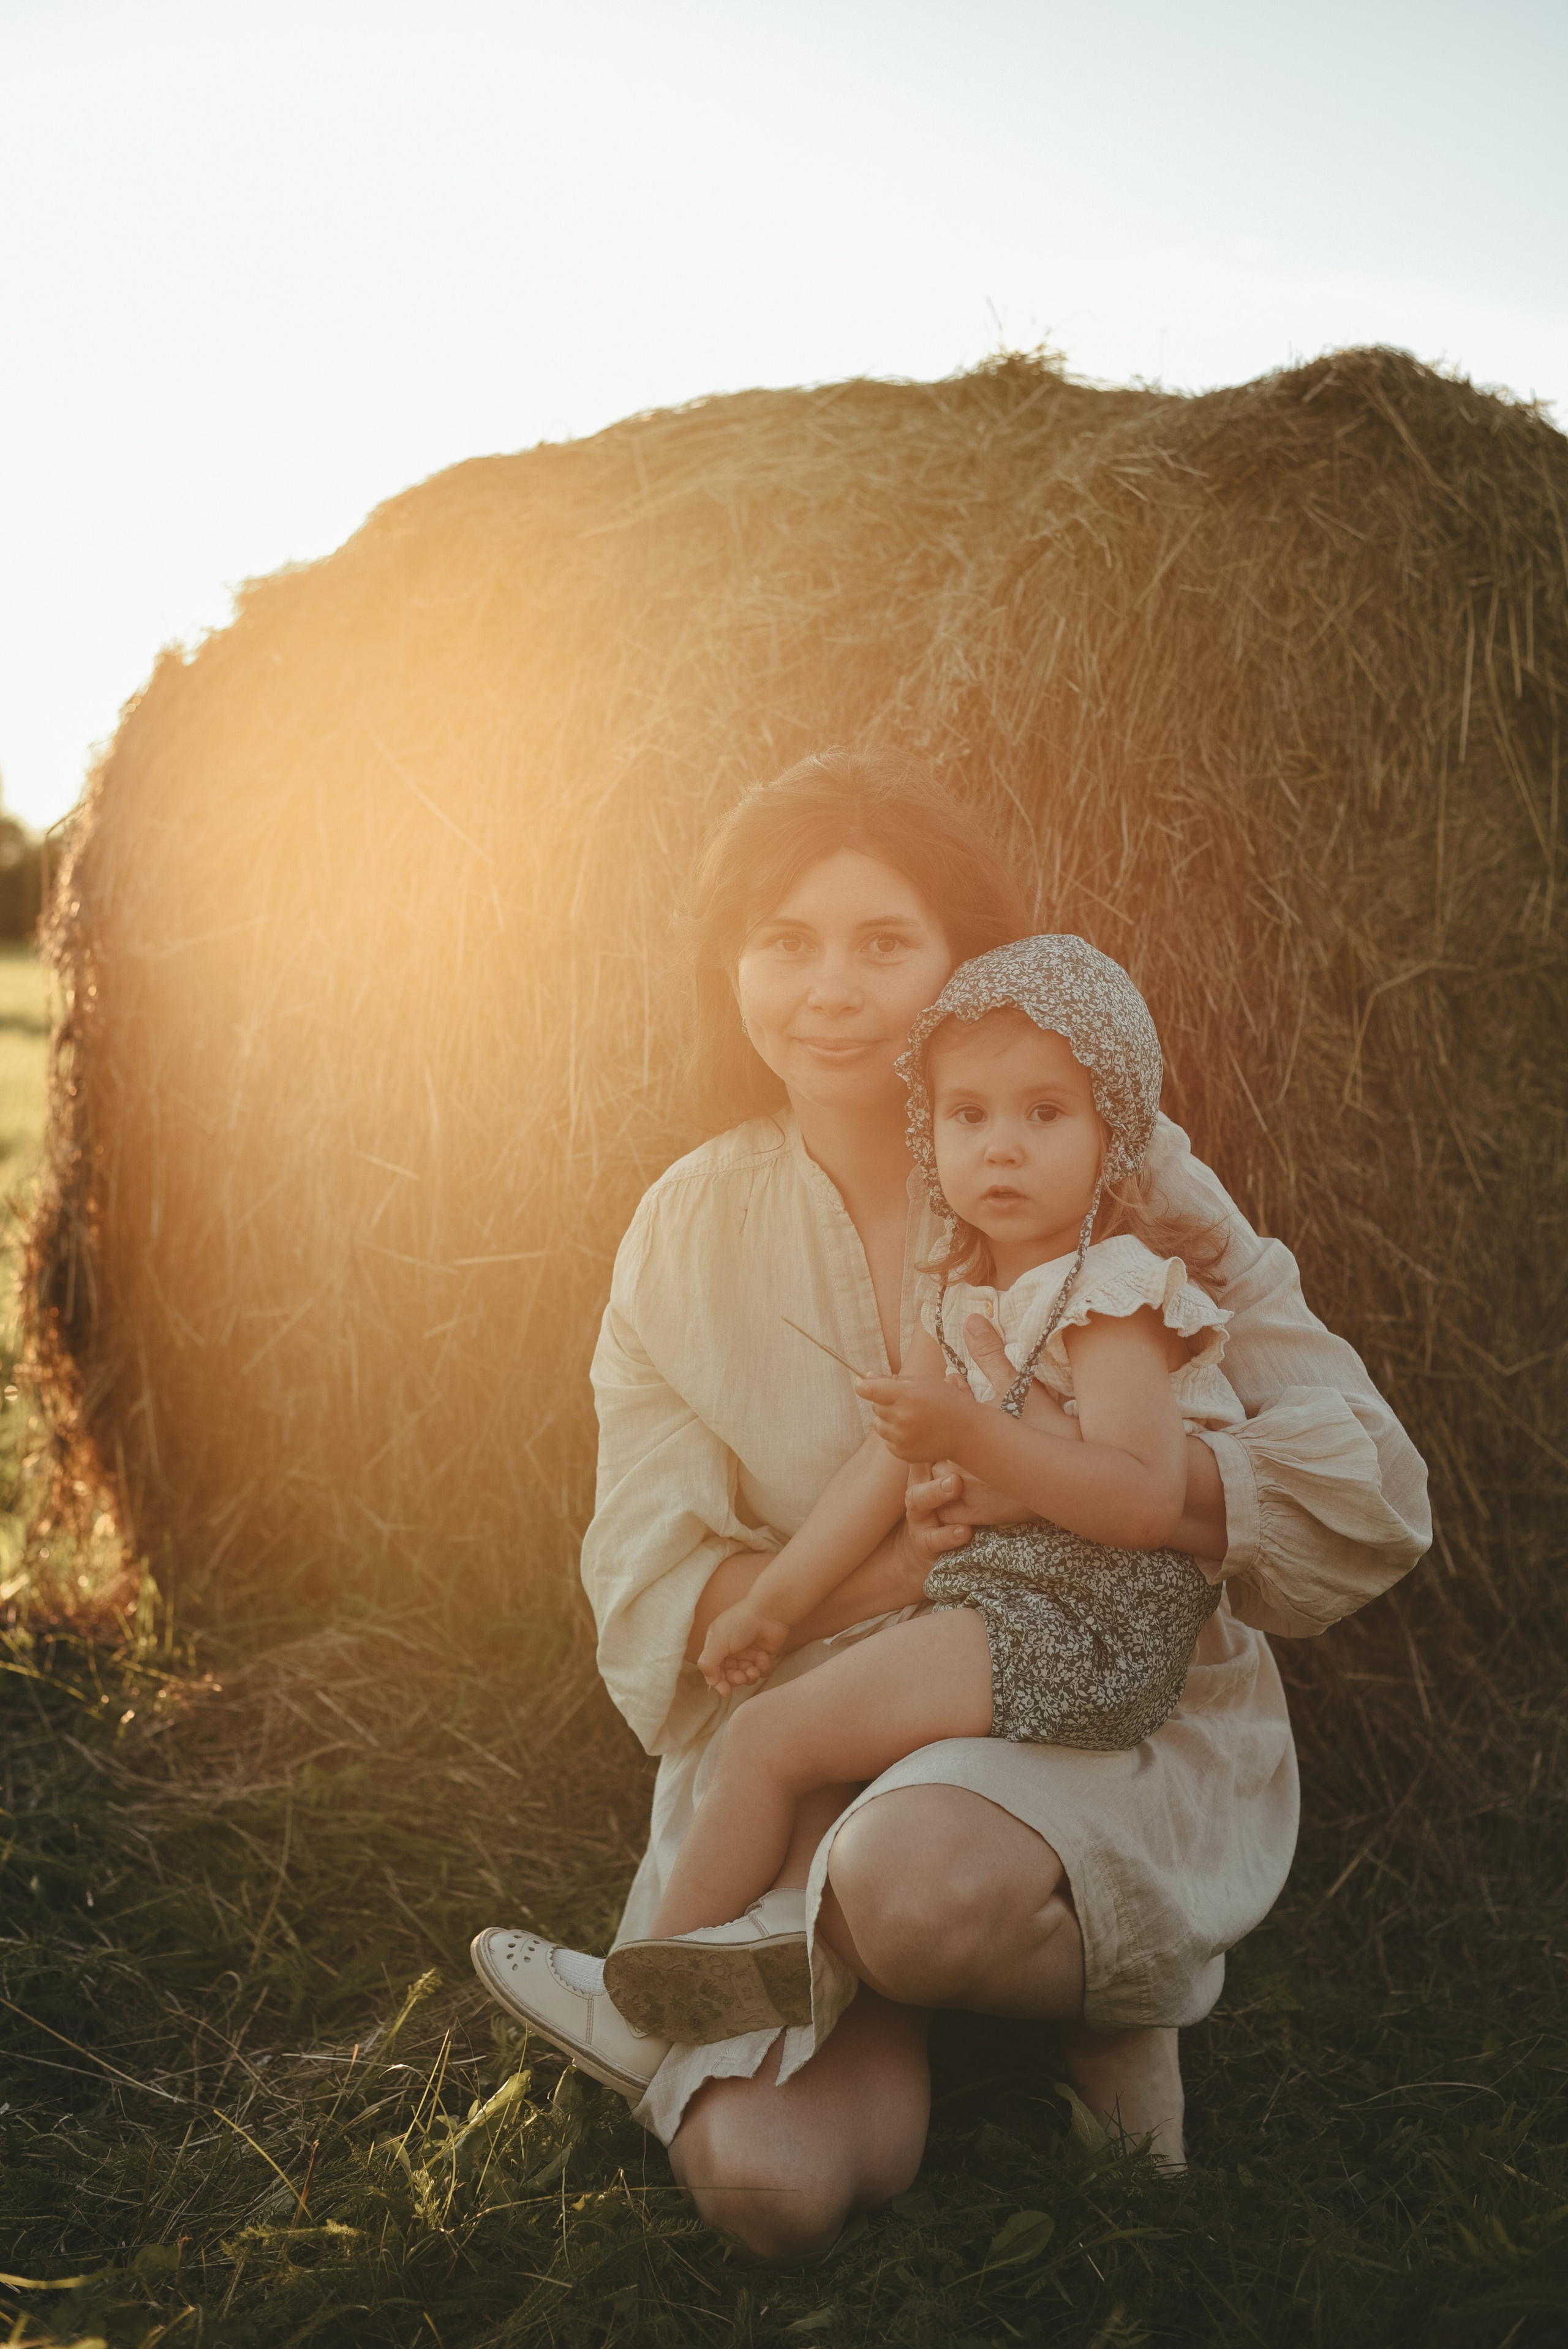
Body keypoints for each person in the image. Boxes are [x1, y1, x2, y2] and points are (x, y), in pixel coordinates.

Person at [471, 749, 1430, 2257]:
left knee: (912, 1888)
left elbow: (1368, 1498)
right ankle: (786, 1980)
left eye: (881, 943)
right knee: (769, 2195)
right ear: (728, 967)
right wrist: (874, 1582)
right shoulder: (680, 1228)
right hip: (819, 1705)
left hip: (1083, 1701)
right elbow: (656, 1609)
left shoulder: (1075, 1158)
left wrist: (1086, 1498)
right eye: (784, 941)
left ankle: (1105, 1987)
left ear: (957, 968)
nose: (828, 988)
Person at [601, 933, 1246, 2051]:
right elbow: (882, 1467)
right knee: (792, 1741)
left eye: (1045, 1115)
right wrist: (775, 1606)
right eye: (968, 1118)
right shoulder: (965, 1294)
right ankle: (758, 1954)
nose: (1002, 1149)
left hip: (1084, 1624)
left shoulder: (1118, 1294)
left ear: (1115, 1136)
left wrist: (973, 1439)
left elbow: (1148, 1502)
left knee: (766, 1741)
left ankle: (640, 2012)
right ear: (930, 1131)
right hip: (1007, 1607)